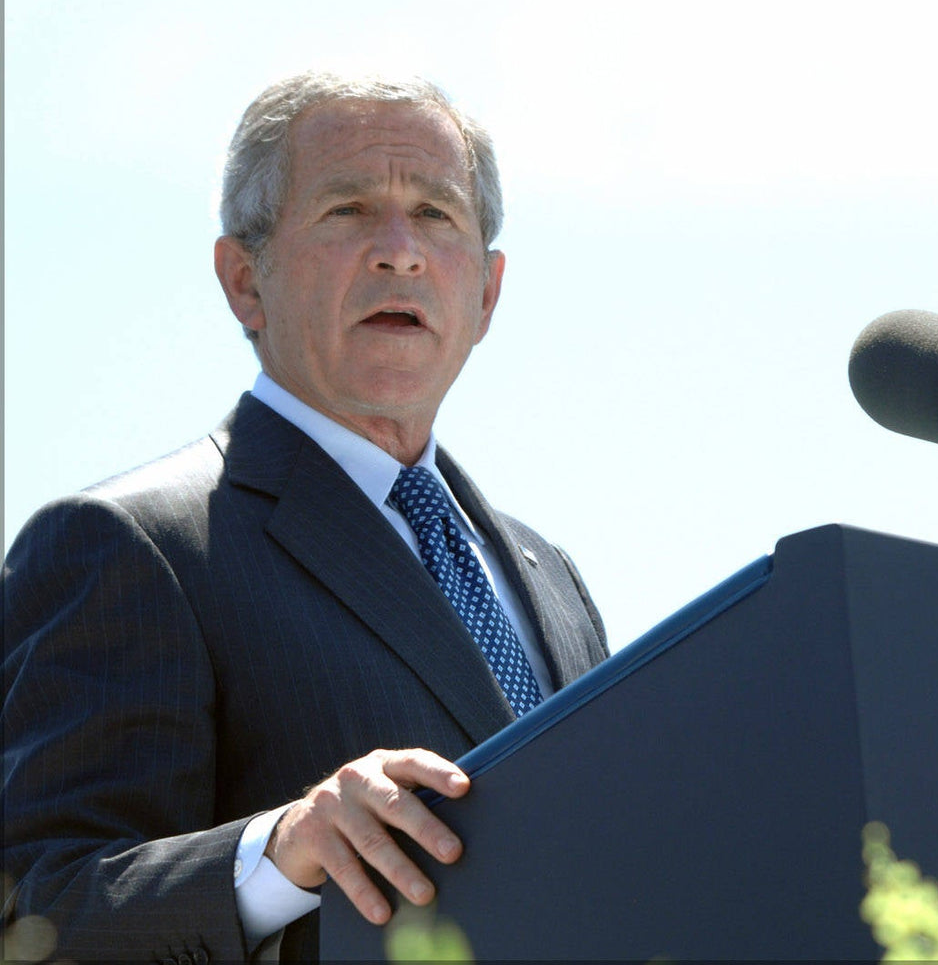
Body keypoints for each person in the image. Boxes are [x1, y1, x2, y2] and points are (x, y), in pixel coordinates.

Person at [2, 73, 610, 961]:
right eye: (349, 210)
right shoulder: (132, 548)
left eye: (437, 214)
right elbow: (36, 916)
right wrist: (277, 854)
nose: (399, 252)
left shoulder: (549, 577)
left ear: (486, 292)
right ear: (245, 280)